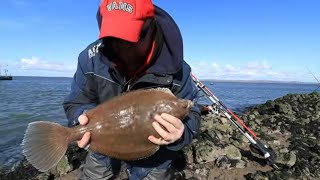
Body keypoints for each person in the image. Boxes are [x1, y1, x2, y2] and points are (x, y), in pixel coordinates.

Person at [63, 0, 201, 179]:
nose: (120, 47)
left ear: (150, 28)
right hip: (104, 150)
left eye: (129, 39)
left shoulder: (178, 70)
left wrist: (180, 134)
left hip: (155, 159)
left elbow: (194, 114)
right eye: (112, 39)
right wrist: (79, 118)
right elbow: (76, 102)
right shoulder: (90, 59)